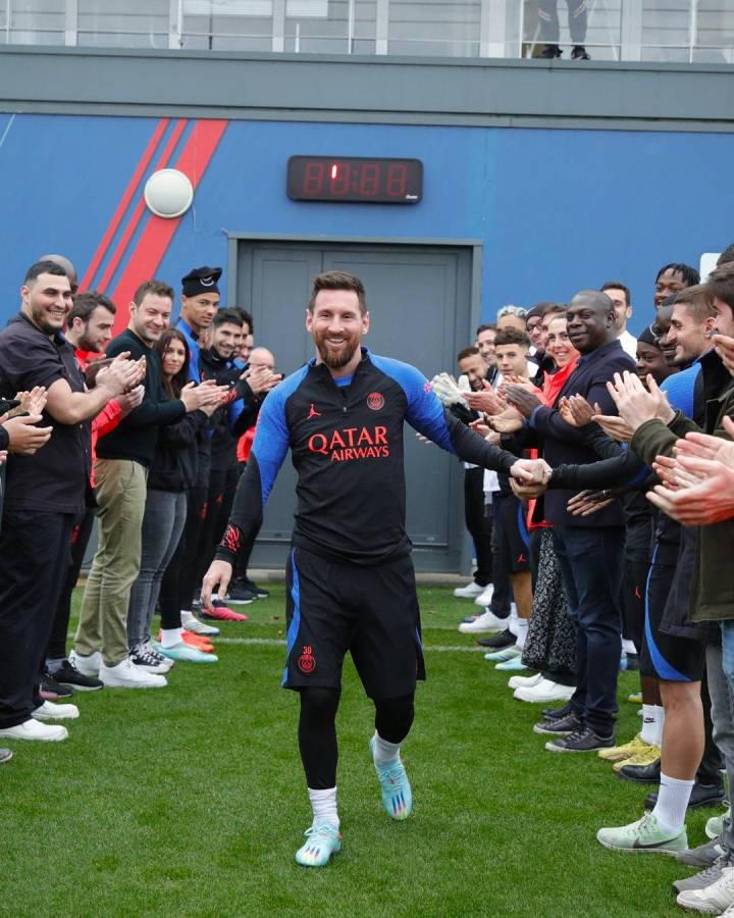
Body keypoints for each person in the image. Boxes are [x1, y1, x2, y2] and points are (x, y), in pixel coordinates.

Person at [201, 270, 547, 868]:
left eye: (347, 316)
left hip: (386, 568)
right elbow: (256, 478)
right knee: (317, 696)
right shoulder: (287, 398)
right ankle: (325, 821)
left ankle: (386, 756)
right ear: (309, 321)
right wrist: (227, 553)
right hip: (318, 570)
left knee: (397, 701)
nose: (336, 325)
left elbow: (454, 436)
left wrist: (507, 462)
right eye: (325, 315)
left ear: (365, 323)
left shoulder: (400, 381)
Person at [0, 261, 138, 743]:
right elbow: (72, 408)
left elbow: (80, 397)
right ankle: (10, 710)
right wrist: (110, 387)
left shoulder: (52, 343)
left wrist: (102, 376)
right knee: (23, 602)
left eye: (67, 293)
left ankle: (28, 696)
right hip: (31, 497)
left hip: (57, 495)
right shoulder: (21, 340)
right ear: (25, 292)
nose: (61, 301)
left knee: (43, 602)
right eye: (51, 292)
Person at [72, 279, 224, 689]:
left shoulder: (144, 351)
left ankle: (87, 654)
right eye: (151, 312)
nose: (158, 321)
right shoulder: (129, 348)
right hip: (121, 464)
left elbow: (146, 409)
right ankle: (114, 659)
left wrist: (182, 405)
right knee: (121, 565)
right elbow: (136, 413)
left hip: (130, 464)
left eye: (163, 313)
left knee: (110, 564)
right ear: (133, 308)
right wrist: (186, 404)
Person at [505, 290, 636, 752]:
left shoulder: (615, 366)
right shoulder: (588, 363)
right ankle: (582, 705)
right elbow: (565, 425)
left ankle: (599, 721)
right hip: (568, 505)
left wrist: (535, 410)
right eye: (571, 316)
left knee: (598, 620)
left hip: (594, 511)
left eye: (586, 316)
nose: (576, 323)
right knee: (583, 616)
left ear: (612, 317)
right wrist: (532, 419)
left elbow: (587, 428)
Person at [127, 328, 220, 665]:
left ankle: (146, 639)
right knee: (149, 566)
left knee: (162, 565)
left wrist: (201, 407)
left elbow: (189, 431)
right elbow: (174, 434)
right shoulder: (165, 397)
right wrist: (198, 411)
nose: (175, 358)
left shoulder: (179, 390)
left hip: (179, 483)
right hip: (160, 484)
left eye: (181, 353)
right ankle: (135, 643)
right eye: (170, 351)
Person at [601, 281, 637, 359]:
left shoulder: (636, 351)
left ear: (629, 312)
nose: (611, 309)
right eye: (605, 303)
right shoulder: (587, 349)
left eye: (617, 304)